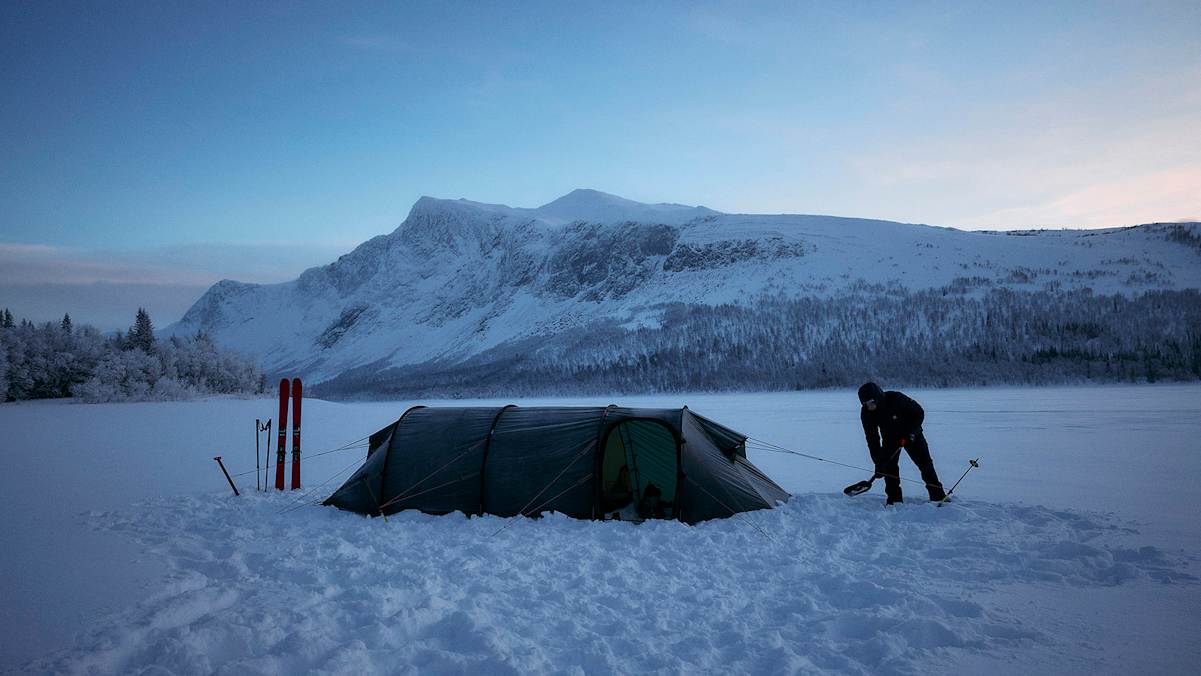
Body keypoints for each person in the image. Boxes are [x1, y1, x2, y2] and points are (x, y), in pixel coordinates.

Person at [857, 382, 946, 504]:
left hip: (911, 434)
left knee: (925, 465)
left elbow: (919, 412)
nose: (869, 406)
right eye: (865, 403)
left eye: (871, 402)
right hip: (890, 438)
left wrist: (911, 433)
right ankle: (894, 500)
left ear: (877, 397)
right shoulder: (866, 413)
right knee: (889, 468)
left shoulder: (896, 398)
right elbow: (872, 438)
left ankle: (938, 496)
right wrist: (878, 461)